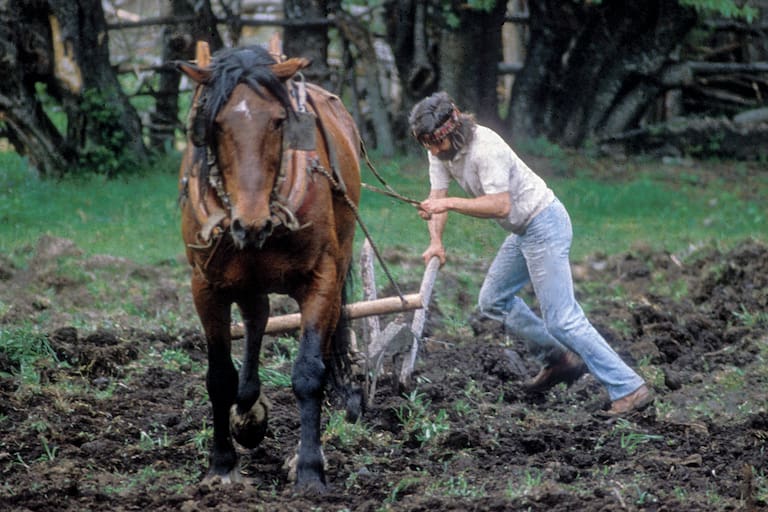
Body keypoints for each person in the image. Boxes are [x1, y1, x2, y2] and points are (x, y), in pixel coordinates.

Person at [408, 91, 652, 416]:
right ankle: (558, 360)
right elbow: (437, 196)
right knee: (493, 300)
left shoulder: (486, 149)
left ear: (452, 131)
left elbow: (500, 205)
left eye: (436, 143)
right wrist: (435, 241)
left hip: (544, 223)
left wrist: (449, 203)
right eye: (427, 145)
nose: (433, 152)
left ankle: (629, 388)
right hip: (522, 231)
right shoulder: (439, 153)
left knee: (563, 319)